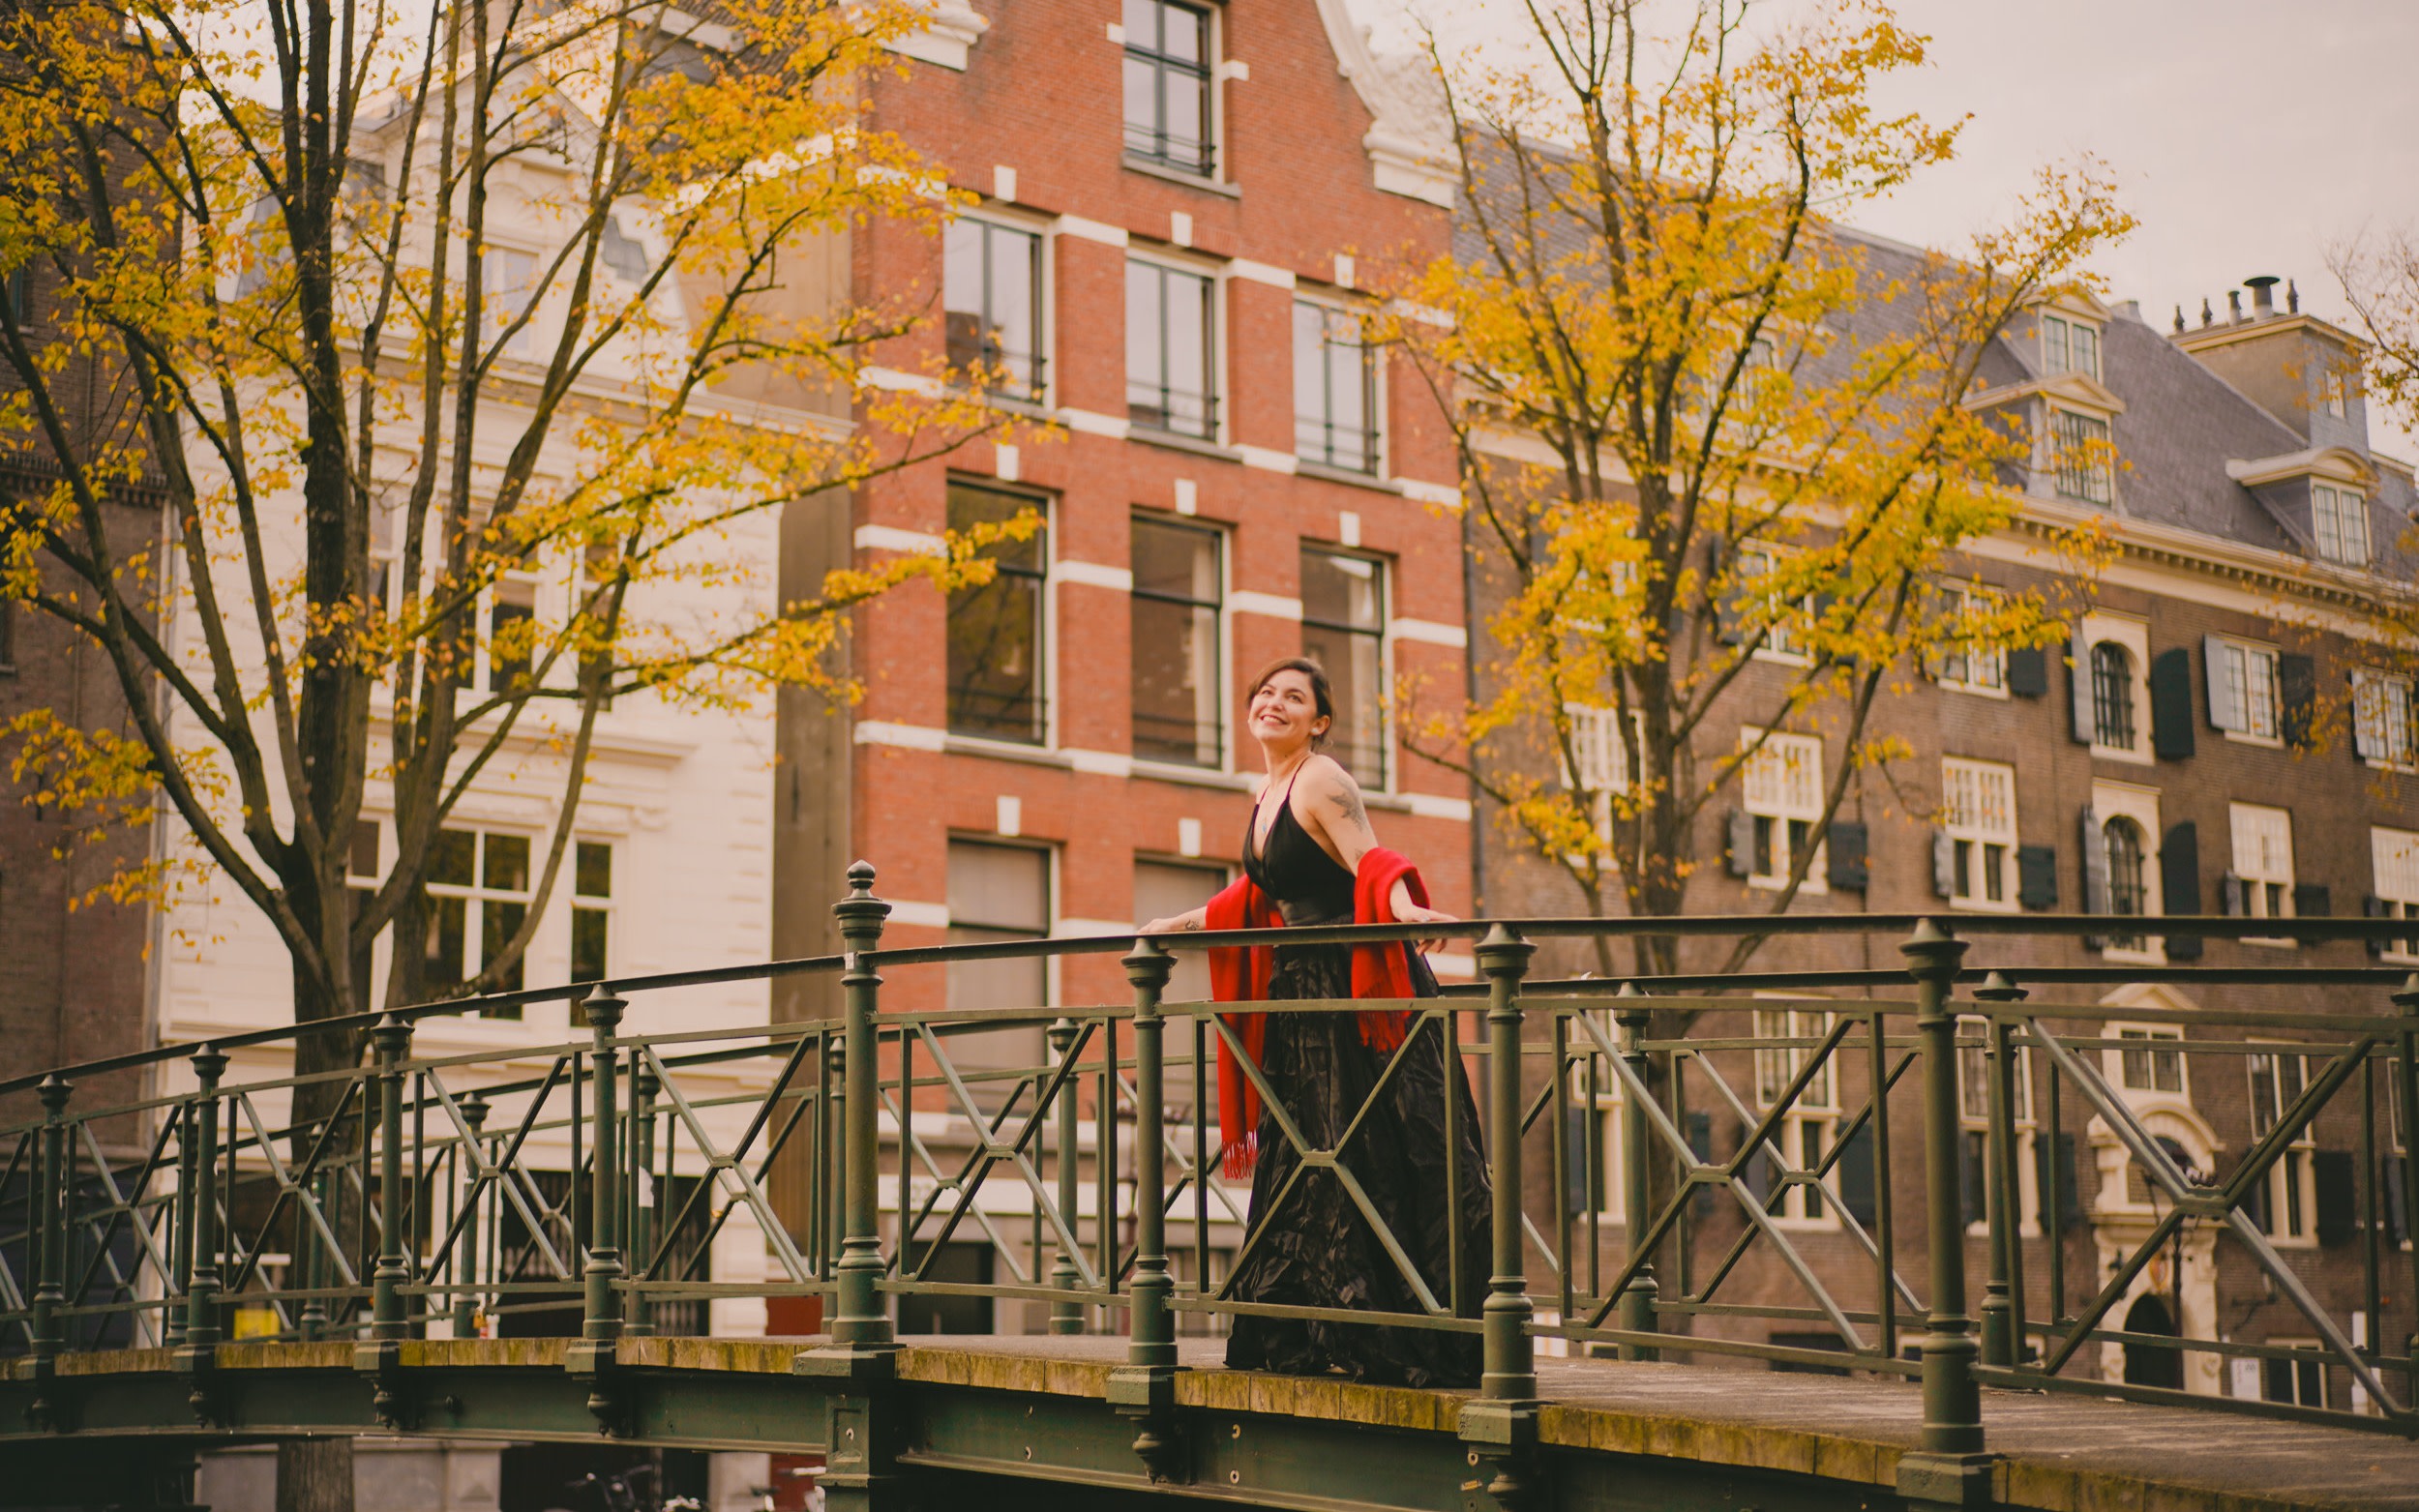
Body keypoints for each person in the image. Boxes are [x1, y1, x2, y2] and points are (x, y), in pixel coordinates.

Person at [1141, 657, 1491, 1387]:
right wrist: (1174, 921)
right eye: (1264, 692)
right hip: (1303, 995)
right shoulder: (1265, 791)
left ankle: (1404, 1333)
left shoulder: (1323, 778)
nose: (1273, 703)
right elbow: (1264, 898)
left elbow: (1370, 862)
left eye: (1293, 697)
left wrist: (1407, 910)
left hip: (1354, 994)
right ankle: (1320, 1329)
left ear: (1318, 721)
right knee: (1316, 1152)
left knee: (1380, 1151)